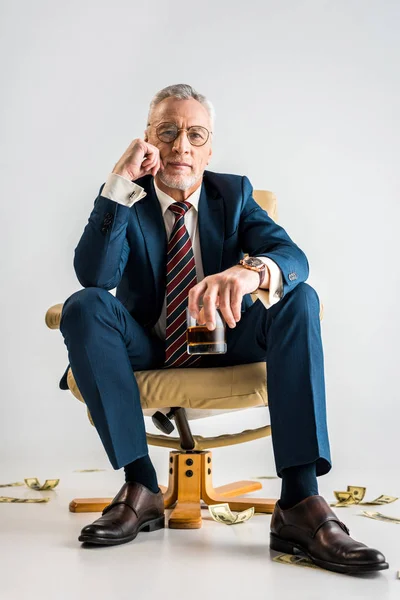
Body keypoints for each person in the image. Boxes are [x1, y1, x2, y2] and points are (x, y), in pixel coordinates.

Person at [59, 83, 388, 574]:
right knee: (84, 305)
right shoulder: (124, 196)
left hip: (227, 338)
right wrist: (118, 183)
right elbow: (97, 277)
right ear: (147, 138)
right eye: (167, 132)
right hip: (147, 345)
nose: (180, 146)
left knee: (300, 297)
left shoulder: (232, 194)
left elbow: (293, 258)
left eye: (195, 134)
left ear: (210, 148)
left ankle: (300, 502)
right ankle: (142, 485)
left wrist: (250, 270)